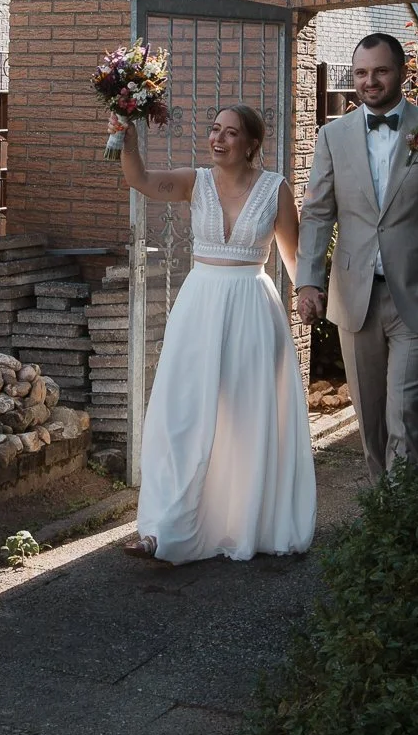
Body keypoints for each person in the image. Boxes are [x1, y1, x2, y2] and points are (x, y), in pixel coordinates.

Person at [116, 104, 316, 563]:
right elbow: (140, 180)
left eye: (230, 133)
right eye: (214, 130)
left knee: (246, 418)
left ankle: (243, 522)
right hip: (200, 307)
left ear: (251, 145)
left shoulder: (275, 189)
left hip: (252, 307)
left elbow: (293, 254)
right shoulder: (195, 182)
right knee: (182, 415)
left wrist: (307, 294)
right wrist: (127, 138)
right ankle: (162, 531)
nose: (218, 139)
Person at [296, 32, 418, 484]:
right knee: (371, 421)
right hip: (356, 301)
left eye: (380, 71)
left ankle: (404, 519)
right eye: (361, 73)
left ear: (401, 72)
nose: (369, 81)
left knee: (404, 416)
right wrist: (308, 282)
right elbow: (317, 213)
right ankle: (385, 512)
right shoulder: (332, 136)